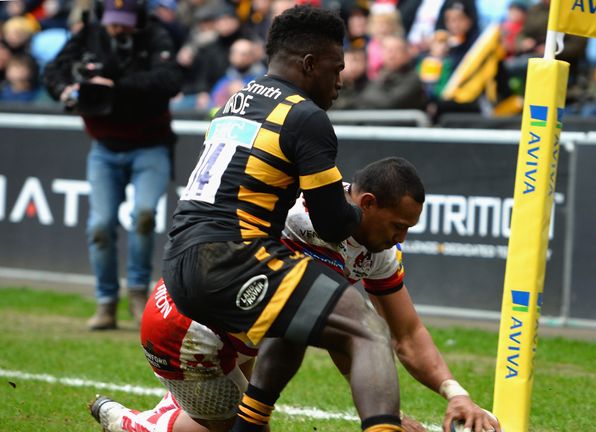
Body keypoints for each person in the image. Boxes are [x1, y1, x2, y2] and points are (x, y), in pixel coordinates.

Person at [88, 157, 501, 432]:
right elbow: (344, 334)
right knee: (233, 424)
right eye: (398, 226)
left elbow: (407, 334)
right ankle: (139, 425)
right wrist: (382, 414)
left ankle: (182, 404)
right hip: (185, 325)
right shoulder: (298, 215)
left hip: (245, 328)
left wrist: (456, 392)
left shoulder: (377, 250)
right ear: (368, 203)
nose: (401, 238)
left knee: (255, 394)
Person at [159, 6, 405, 432]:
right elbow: (331, 223)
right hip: (229, 256)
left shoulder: (238, 99)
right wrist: (359, 214)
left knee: (300, 311)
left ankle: (249, 424)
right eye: (336, 68)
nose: (341, 81)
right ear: (309, 64)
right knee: (366, 327)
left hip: (179, 260)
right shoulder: (306, 116)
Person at [42, 0, 182, 330]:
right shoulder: (88, 34)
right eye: (112, 22)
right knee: (100, 226)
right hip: (104, 147)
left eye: (124, 22)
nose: (117, 28)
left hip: (150, 145)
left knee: (144, 216)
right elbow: (52, 71)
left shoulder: (156, 36)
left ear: (137, 19)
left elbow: (170, 80)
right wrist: (66, 91)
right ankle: (106, 302)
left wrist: (116, 88)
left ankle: (136, 293)